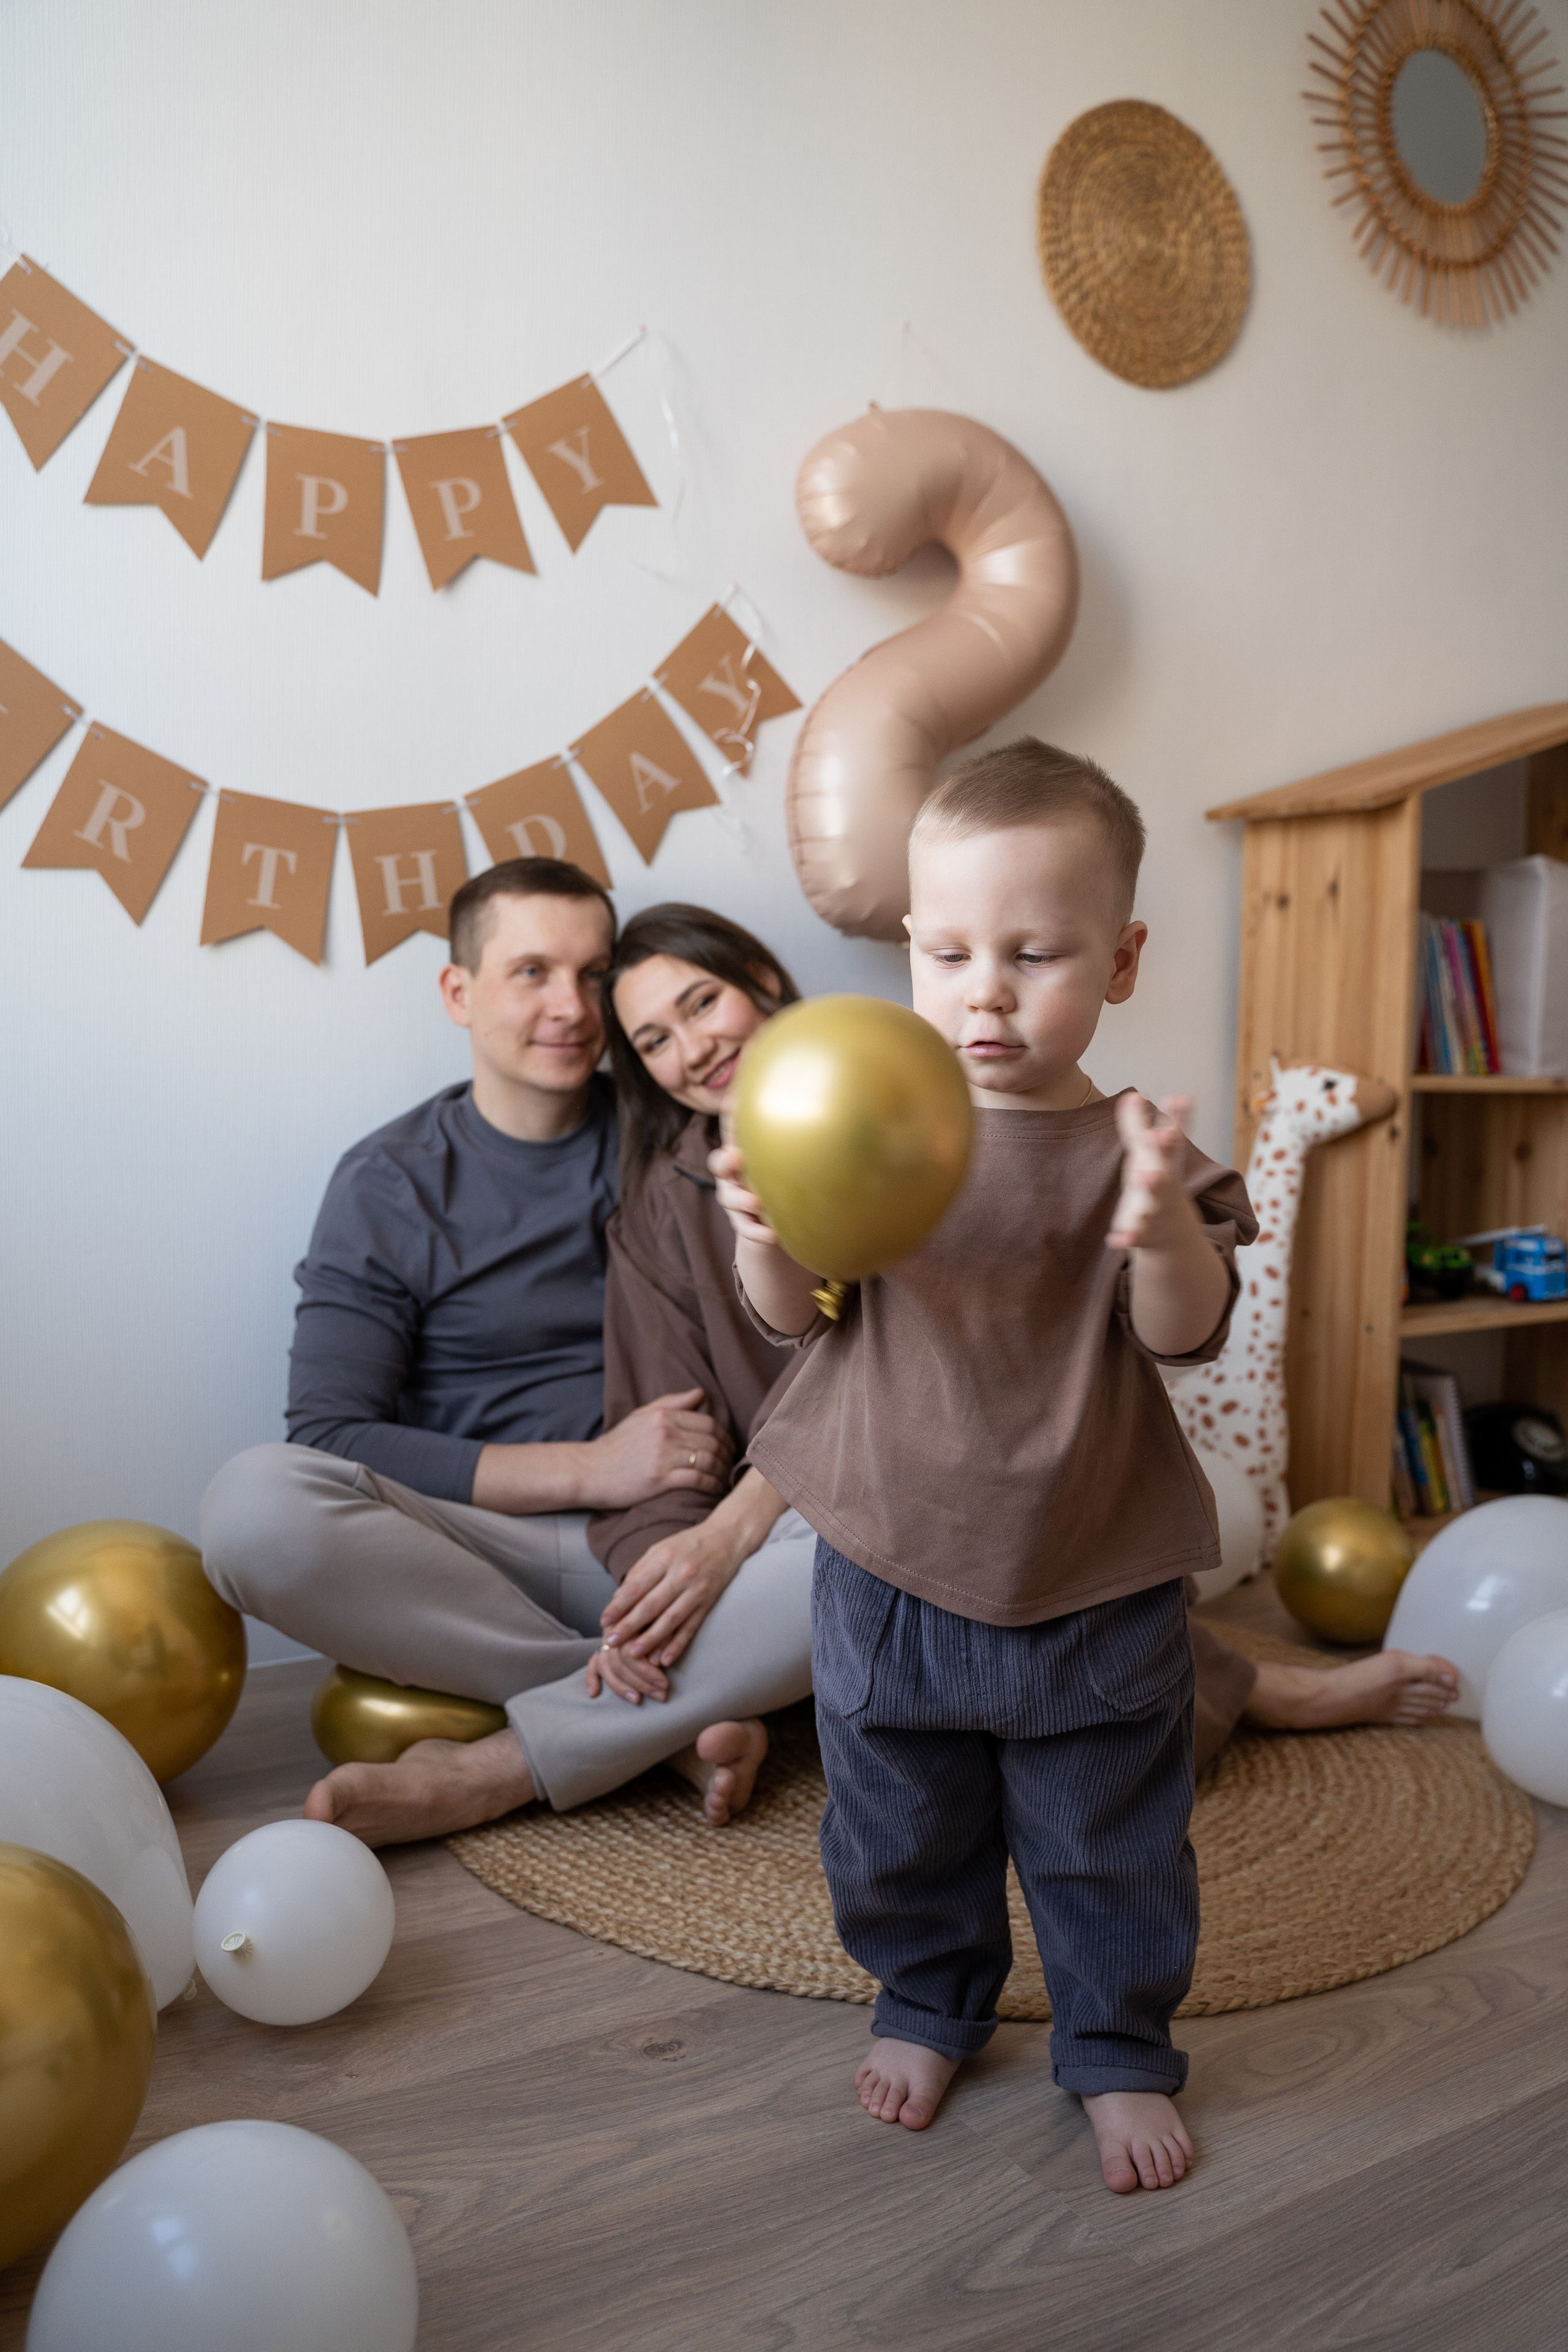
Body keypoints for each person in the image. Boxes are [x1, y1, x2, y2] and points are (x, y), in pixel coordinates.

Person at [707, 739, 1434, 2199]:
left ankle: (1113, 2041)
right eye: (951, 950)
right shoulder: (864, 1112)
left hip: (1088, 1565)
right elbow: (790, 1317)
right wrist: (766, 1229)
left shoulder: (1131, 1149)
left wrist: (1160, 1222)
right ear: (907, 948)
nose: (984, 989)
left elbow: (1187, 1339)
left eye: (1033, 953)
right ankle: (927, 1996)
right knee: (896, 1821)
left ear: (1118, 959)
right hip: (887, 1555)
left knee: (1109, 1839)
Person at [598, 907, 1459, 1773]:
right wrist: (661, 1578)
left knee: (1015, 1566)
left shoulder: (924, 1105)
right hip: (828, 1514)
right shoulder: (661, 1211)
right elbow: (667, 1416)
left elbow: (1000, 1352)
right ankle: (684, 1721)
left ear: (762, 977)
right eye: (653, 1040)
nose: (694, 1046)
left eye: (702, 1003)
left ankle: (1238, 1689)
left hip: (952, 1483)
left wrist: (738, 1528)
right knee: (740, 1604)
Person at [198, 856, 807, 1839]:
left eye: (593, 976)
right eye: (532, 973)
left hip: (683, 1541)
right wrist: (590, 1466)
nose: (571, 1007)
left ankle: (520, 1757)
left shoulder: (673, 1136)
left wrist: (692, 1519)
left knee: (869, 1530)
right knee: (251, 1508)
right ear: (459, 991)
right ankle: (654, 1711)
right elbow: (328, 1431)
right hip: (482, 1561)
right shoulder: (391, 1183)